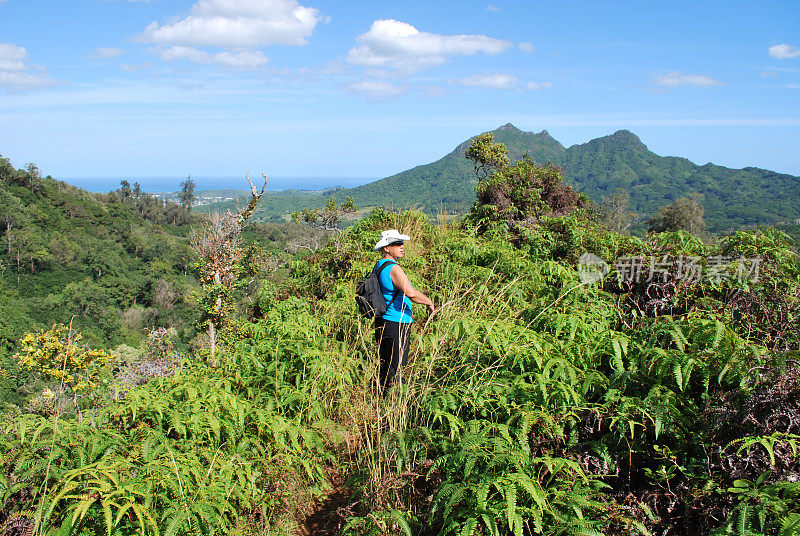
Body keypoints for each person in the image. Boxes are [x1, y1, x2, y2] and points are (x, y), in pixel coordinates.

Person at [372, 229, 435, 392]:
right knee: (396, 368)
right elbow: (411, 293)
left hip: (383, 321)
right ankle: (389, 405)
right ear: (386, 248)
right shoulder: (393, 268)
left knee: (386, 364)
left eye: (401, 243)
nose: (402, 246)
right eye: (396, 243)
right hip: (396, 323)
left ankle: (379, 398)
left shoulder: (380, 265)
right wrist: (429, 302)